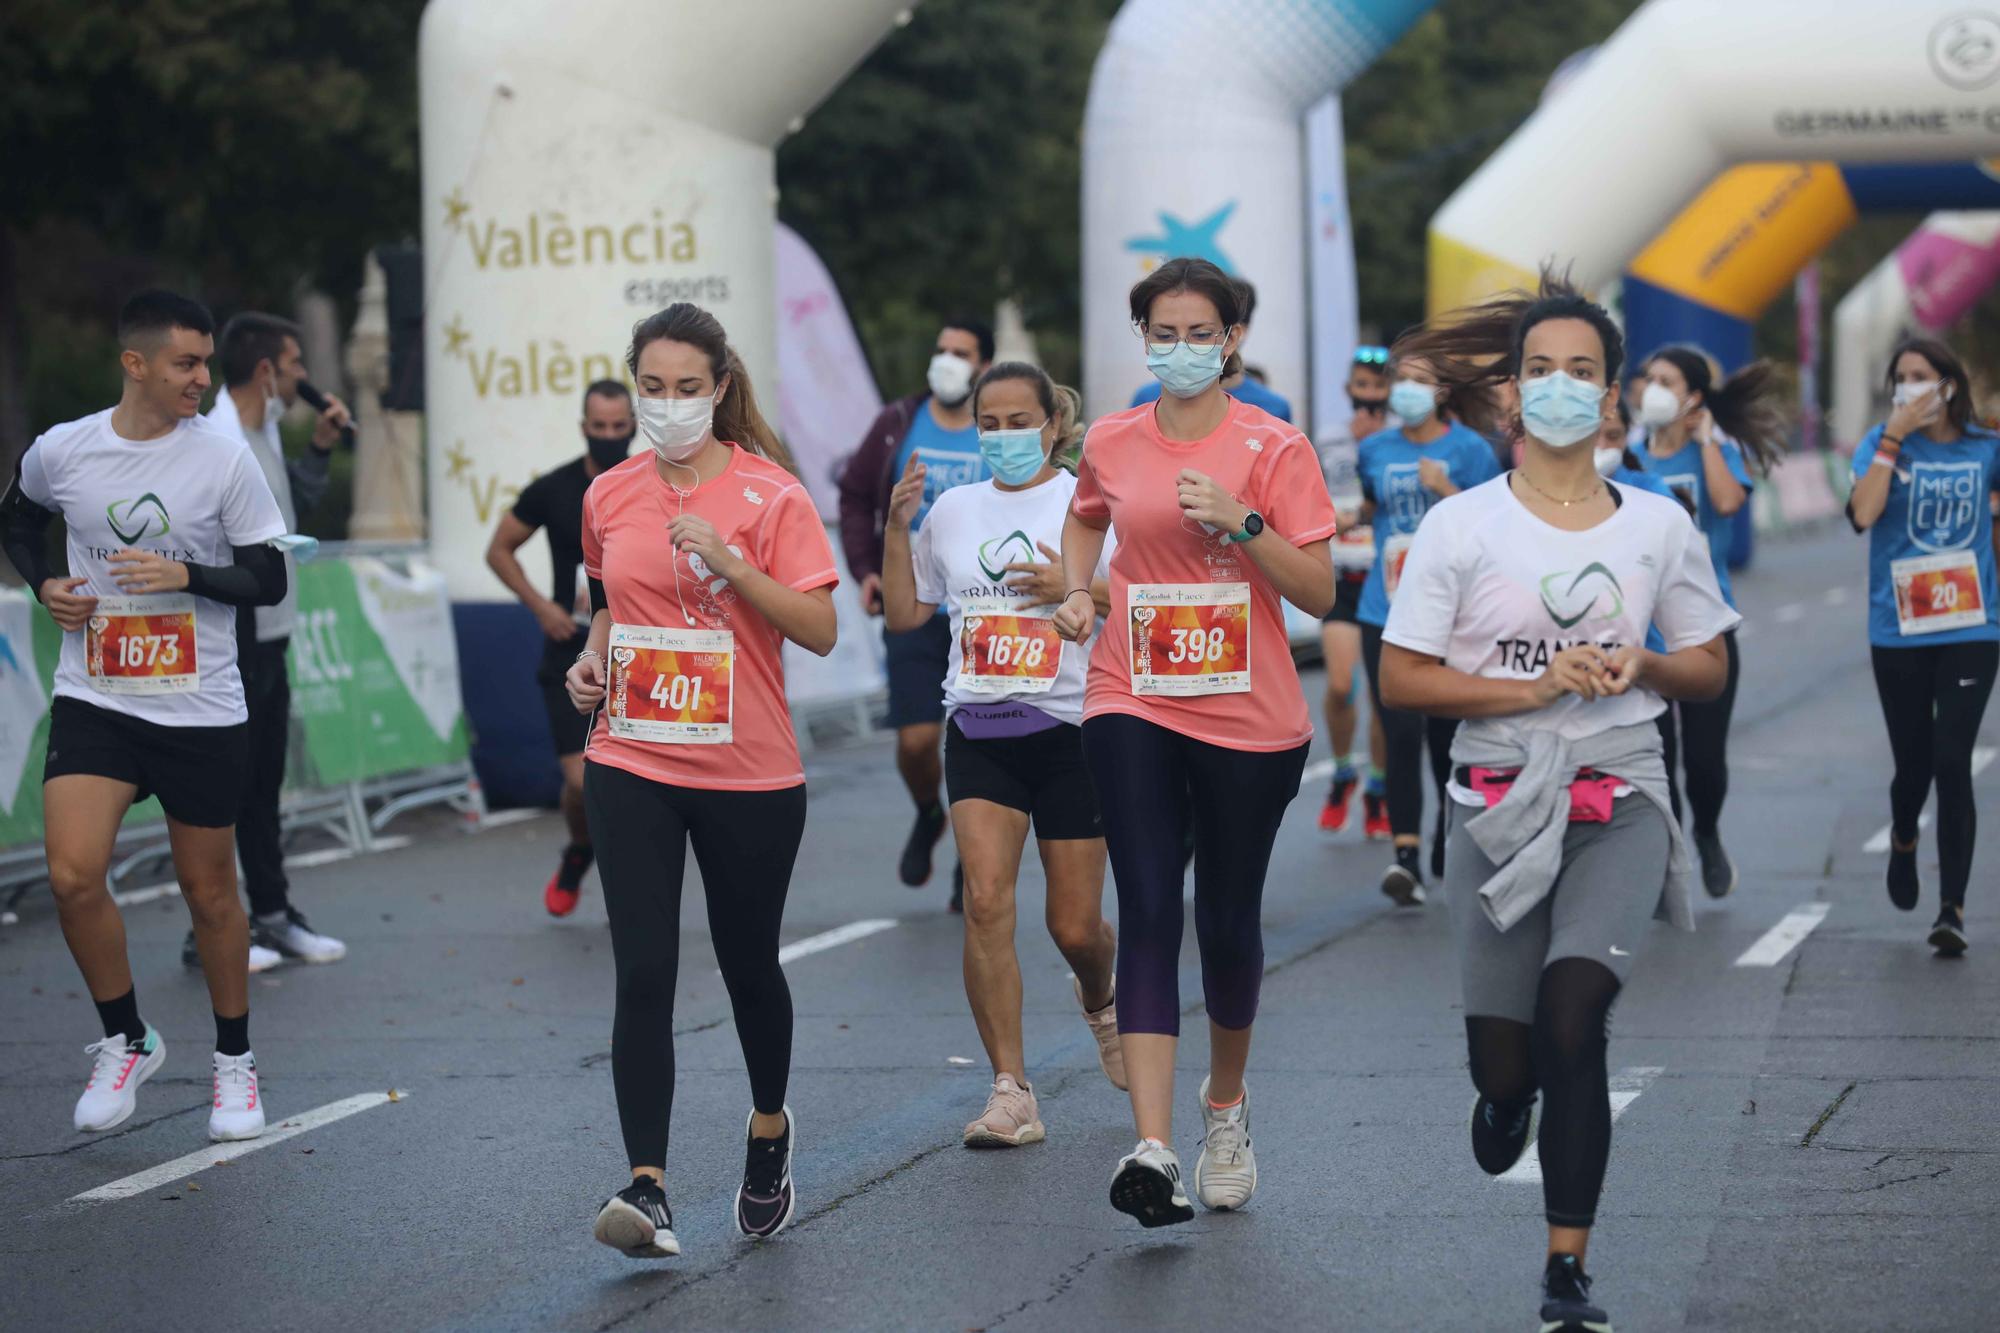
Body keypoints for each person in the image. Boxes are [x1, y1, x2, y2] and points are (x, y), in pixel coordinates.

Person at [1380, 273, 1737, 1333]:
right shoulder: (1459, 524)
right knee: (1510, 1053)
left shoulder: (1657, 523)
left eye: (1582, 371)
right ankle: (1504, 1091)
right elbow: (1402, 680)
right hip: (1494, 801)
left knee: (1574, 1017)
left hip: (1617, 791)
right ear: (1508, 395)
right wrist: (1530, 687)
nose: (1560, 388)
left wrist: (1646, 665)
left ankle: (1565, 1269)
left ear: (1612, 394)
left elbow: (1710, 662)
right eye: (1541, 370)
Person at [1054, 257, 1337, 1227]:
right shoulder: (1111, 438)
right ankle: (1153, 1144)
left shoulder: (1272, 444)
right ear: (1143, 339)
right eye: (1162, 334)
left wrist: (1243, 521)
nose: (1179, 351)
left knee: (1222, 917)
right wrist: (1075, 591)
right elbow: (1086, 519)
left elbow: (1315, 591)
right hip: (1131, 690)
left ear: (1231, 342)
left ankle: (1223, 1108)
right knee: (1145, 902)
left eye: (1197, 334)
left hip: (1247, 711)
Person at [566, 303, 837, 1258]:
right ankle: (649, 1184)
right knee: (643, 969)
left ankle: (768, 1128)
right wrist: (590, 660)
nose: (668, 405)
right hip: (632, 753)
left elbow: (817, 628)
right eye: (652, 387)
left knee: (748, 962)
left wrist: (728, 563)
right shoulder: (609, 494)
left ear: (719, 389)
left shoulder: (773, 497)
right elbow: (607, 605)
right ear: (631, 384)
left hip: (749, 769)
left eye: (688, 389)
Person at [0, 290, 291, 1143]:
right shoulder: (66, 450)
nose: (202, 378)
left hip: (199, 703)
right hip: (98, 694)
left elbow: (267, 580)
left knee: (208, 892)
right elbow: (17, 514)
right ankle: (127, 1037)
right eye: (186, 364)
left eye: (205, 363)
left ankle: (234, 1061)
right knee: (72, 875)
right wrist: (43, 583)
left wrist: (188, 577)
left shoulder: (223, 459)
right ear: (136, 364)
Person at [880, 361, 1124, 1146]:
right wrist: (894, 526)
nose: (1005, 436)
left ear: (1054, 424)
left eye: (1021, 421)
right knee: (985, 899)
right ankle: (1010, 1089)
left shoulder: (1086, 504)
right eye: (990, 422)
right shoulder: (951, 510)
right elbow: (905, 610)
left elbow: (1144, 593)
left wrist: (1077, 586)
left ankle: (1100, 996)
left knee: (1075, 926)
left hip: (1070, 729)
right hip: (981, 724)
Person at [177, 312, 350, 974]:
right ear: (267, 371)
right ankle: (208, 931)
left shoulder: (265, 429)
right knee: (223, 786)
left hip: (272, 634)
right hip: (229, 635)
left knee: (263, 781)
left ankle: (273, 915)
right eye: (297, 364)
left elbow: (286, 514)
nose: (305, 377)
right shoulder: (217, 439)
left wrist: (322, 448)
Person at [1847, 337, 2000, 955]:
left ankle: (1952, 909)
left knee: (1950, 758)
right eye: (1900, 378)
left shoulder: (1986, 450)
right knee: (1913, 766)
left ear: (1948, 386)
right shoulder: (1881, 445)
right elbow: (1862, 514)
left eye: (1921, 376)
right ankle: (1904, 834)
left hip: (1971, 627)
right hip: (1899, 630)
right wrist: (1891, 439)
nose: (1908, 387)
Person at [838, 318, 996, 906]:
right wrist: (866, 568)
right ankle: (930, 813)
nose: (947, 361)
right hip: (914, 604)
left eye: (961, 352)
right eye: (941, 349)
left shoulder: (996, 429)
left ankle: (973, 857)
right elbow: (855, 495)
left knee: (974, 742)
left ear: (983, 365)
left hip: (982, 612)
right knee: (915, 741)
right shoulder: (899, 423)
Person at [1632, 345, 1787, 899]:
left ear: (1693, 398)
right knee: (1657, 758)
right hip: (1640, 633)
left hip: (1702, 630)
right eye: (1648, 377)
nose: (1652, 387)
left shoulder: (1713, 452)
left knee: (1703, 758)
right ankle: (1666, 858)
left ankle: (1708, 832)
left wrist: (1706, 441)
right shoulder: (1627, 456)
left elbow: (1725, 503)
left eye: (1666, 380)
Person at [1356, 347, 1502, 902]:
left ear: (1442, 392)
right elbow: (1373, 508)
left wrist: (1446, 491)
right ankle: (1406, 857)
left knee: (1445, 734)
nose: (1406, 389)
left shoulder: (1470, 450)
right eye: (1401, 379)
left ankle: (1447, 833)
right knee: (1398, 732)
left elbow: (1493, 527)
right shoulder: (1375, 450)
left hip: (1453, 615)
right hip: (1384, 607)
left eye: (1420, 380)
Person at [486, 379, 637, 915]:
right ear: (583, 428)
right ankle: (580, 850)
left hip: (638, 655)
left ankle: (634, 886)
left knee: (636, 789)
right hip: (570, 653)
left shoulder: (652, 486)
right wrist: (542, 607)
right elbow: (499, 549)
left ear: (634, 426)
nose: (610, 437)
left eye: (620, 428)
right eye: (600, 428)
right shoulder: (554, 489)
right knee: (581, 781)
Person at [1319, 346, 1392, 838]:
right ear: (1348, 389)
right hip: (1341, 573)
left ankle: (1379, 790)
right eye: (1361, 386)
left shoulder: (1400, 441)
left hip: (1387, 576)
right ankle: (1344, 771)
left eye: (1378, 386)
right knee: (1343, 684)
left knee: (1386, 695)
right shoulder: (1326, 439)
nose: (1369, 395)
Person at [1128, 278, 1294, 423]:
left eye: (1201, 334)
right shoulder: (1145, 399)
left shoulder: (1273, 410)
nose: (1183, 349)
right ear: (1146, 335)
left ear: (1234, 335)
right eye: (1165, 335)